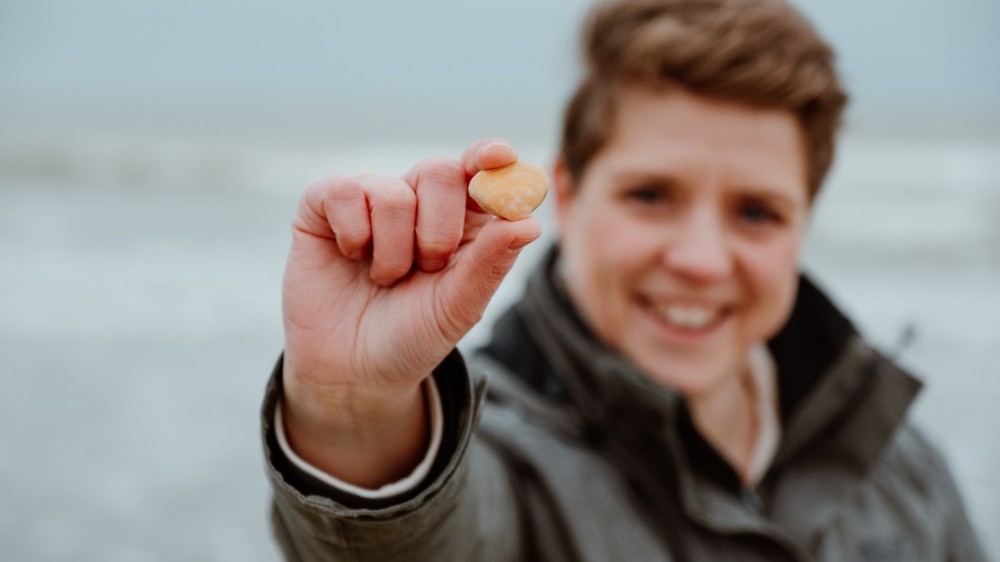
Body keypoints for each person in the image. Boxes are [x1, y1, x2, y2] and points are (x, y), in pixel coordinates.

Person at [260, 0, 988, 559]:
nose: (702, 259)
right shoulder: (500, 461)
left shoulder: (903, 466)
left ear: (805, 223)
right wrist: (353, 412)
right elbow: (419, 543)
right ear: (569, 194)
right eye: (650, 195)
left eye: (757, 211)